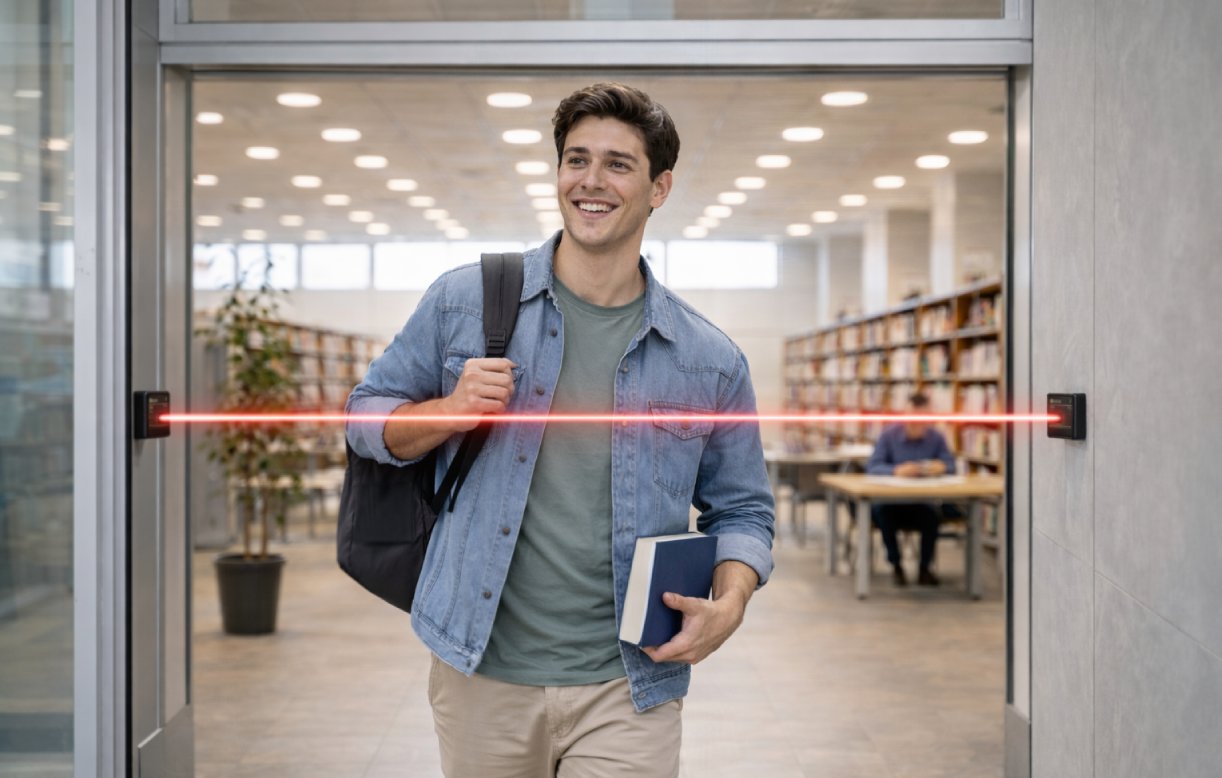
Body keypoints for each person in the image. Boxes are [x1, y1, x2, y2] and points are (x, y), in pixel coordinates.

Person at [346, 82, 775, 778]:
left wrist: (731, 602)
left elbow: (744, 508)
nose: (590, 181)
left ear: (659, 188)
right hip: (481, 672)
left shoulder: (708, 358)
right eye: (577, 160)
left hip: (629, 683)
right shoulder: (464, 302)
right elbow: (363, 418)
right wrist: (450, 411)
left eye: (617, 164)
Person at [865, 392, 956, 587]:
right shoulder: (888, 435)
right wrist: (896, 470)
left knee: (932, 517)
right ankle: (896, 566)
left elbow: (950, 464)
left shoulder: (936, 438)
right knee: (883, 514)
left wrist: (940, 467)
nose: (916, 423)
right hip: (891, 502)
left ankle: (924, 569)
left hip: (921, 502)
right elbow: (872, 466)